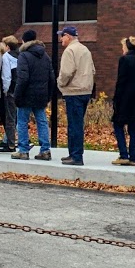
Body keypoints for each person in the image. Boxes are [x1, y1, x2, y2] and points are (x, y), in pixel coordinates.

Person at [11, 29, 55, 161]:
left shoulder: (24, 56)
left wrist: (17, 95)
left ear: (24, 41)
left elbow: (22, 78)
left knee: (22, 121)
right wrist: (48, 95)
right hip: (41, 94)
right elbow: (52, 78)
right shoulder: (45, 56)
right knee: (42, 121)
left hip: (26, 95)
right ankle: (45, 150)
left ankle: (23, 150)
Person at [56, 26, 95, 166]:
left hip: (73, 92)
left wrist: (60, 84)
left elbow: (66, 72)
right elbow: (92, 70)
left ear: (68, 36)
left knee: (74, 125)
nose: (61, 39)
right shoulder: (85, 49)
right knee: (77, 124)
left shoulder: (69, 51)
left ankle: (76, 156)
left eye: (62, 36)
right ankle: (74, 154)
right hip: (85, 90)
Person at [111, 36, 135, 166]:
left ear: (126, 47)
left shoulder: (124, 59)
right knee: (133, 128)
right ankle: (133, 157)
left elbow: (121, 80)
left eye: (122, 46)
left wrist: (116, 99)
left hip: (125, 97)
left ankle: (123, 154)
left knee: (118, 124)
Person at [0, 35, 21, 152]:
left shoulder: (6, 57)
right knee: (19, 117)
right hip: (20, 90)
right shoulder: (21, 55)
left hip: (11, 90)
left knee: (10, 118)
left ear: (7, 46)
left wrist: (5, 90)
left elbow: (6, 76)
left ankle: (10, 144)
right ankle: (20, 142)